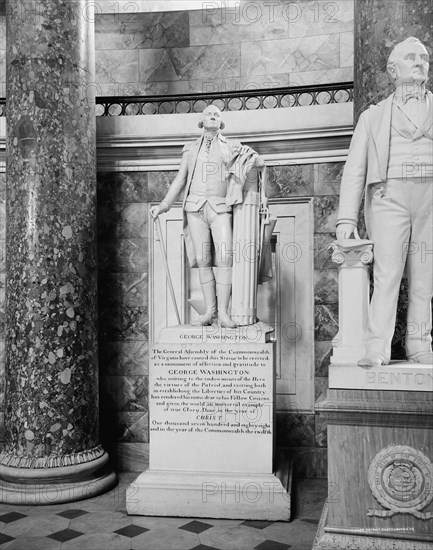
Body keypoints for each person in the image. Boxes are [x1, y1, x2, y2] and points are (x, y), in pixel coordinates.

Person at [336, 37, 432, 366]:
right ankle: (377, 347)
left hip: (430, 199)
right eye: (411, 57)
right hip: (390, 197)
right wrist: (345, 219)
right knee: (387, 274)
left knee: (425, 277)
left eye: (424, 57)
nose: (420, 62)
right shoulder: (373, 117)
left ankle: (420, 344)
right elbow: (355, 170)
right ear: (393, 69)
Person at [150, 105, 263, 328]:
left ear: (221, 123)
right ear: (201, 121)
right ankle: (210, 311)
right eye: (208, 114)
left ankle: (223, 312)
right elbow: (181, 180)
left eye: (217, 114)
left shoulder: (232, 146)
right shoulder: (190, 148)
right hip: (195, 207)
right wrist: (164, 205)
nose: (212, 116)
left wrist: (255, 159)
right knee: (203, 260)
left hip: (219, 208)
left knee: (225, 257)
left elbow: (254, 162)